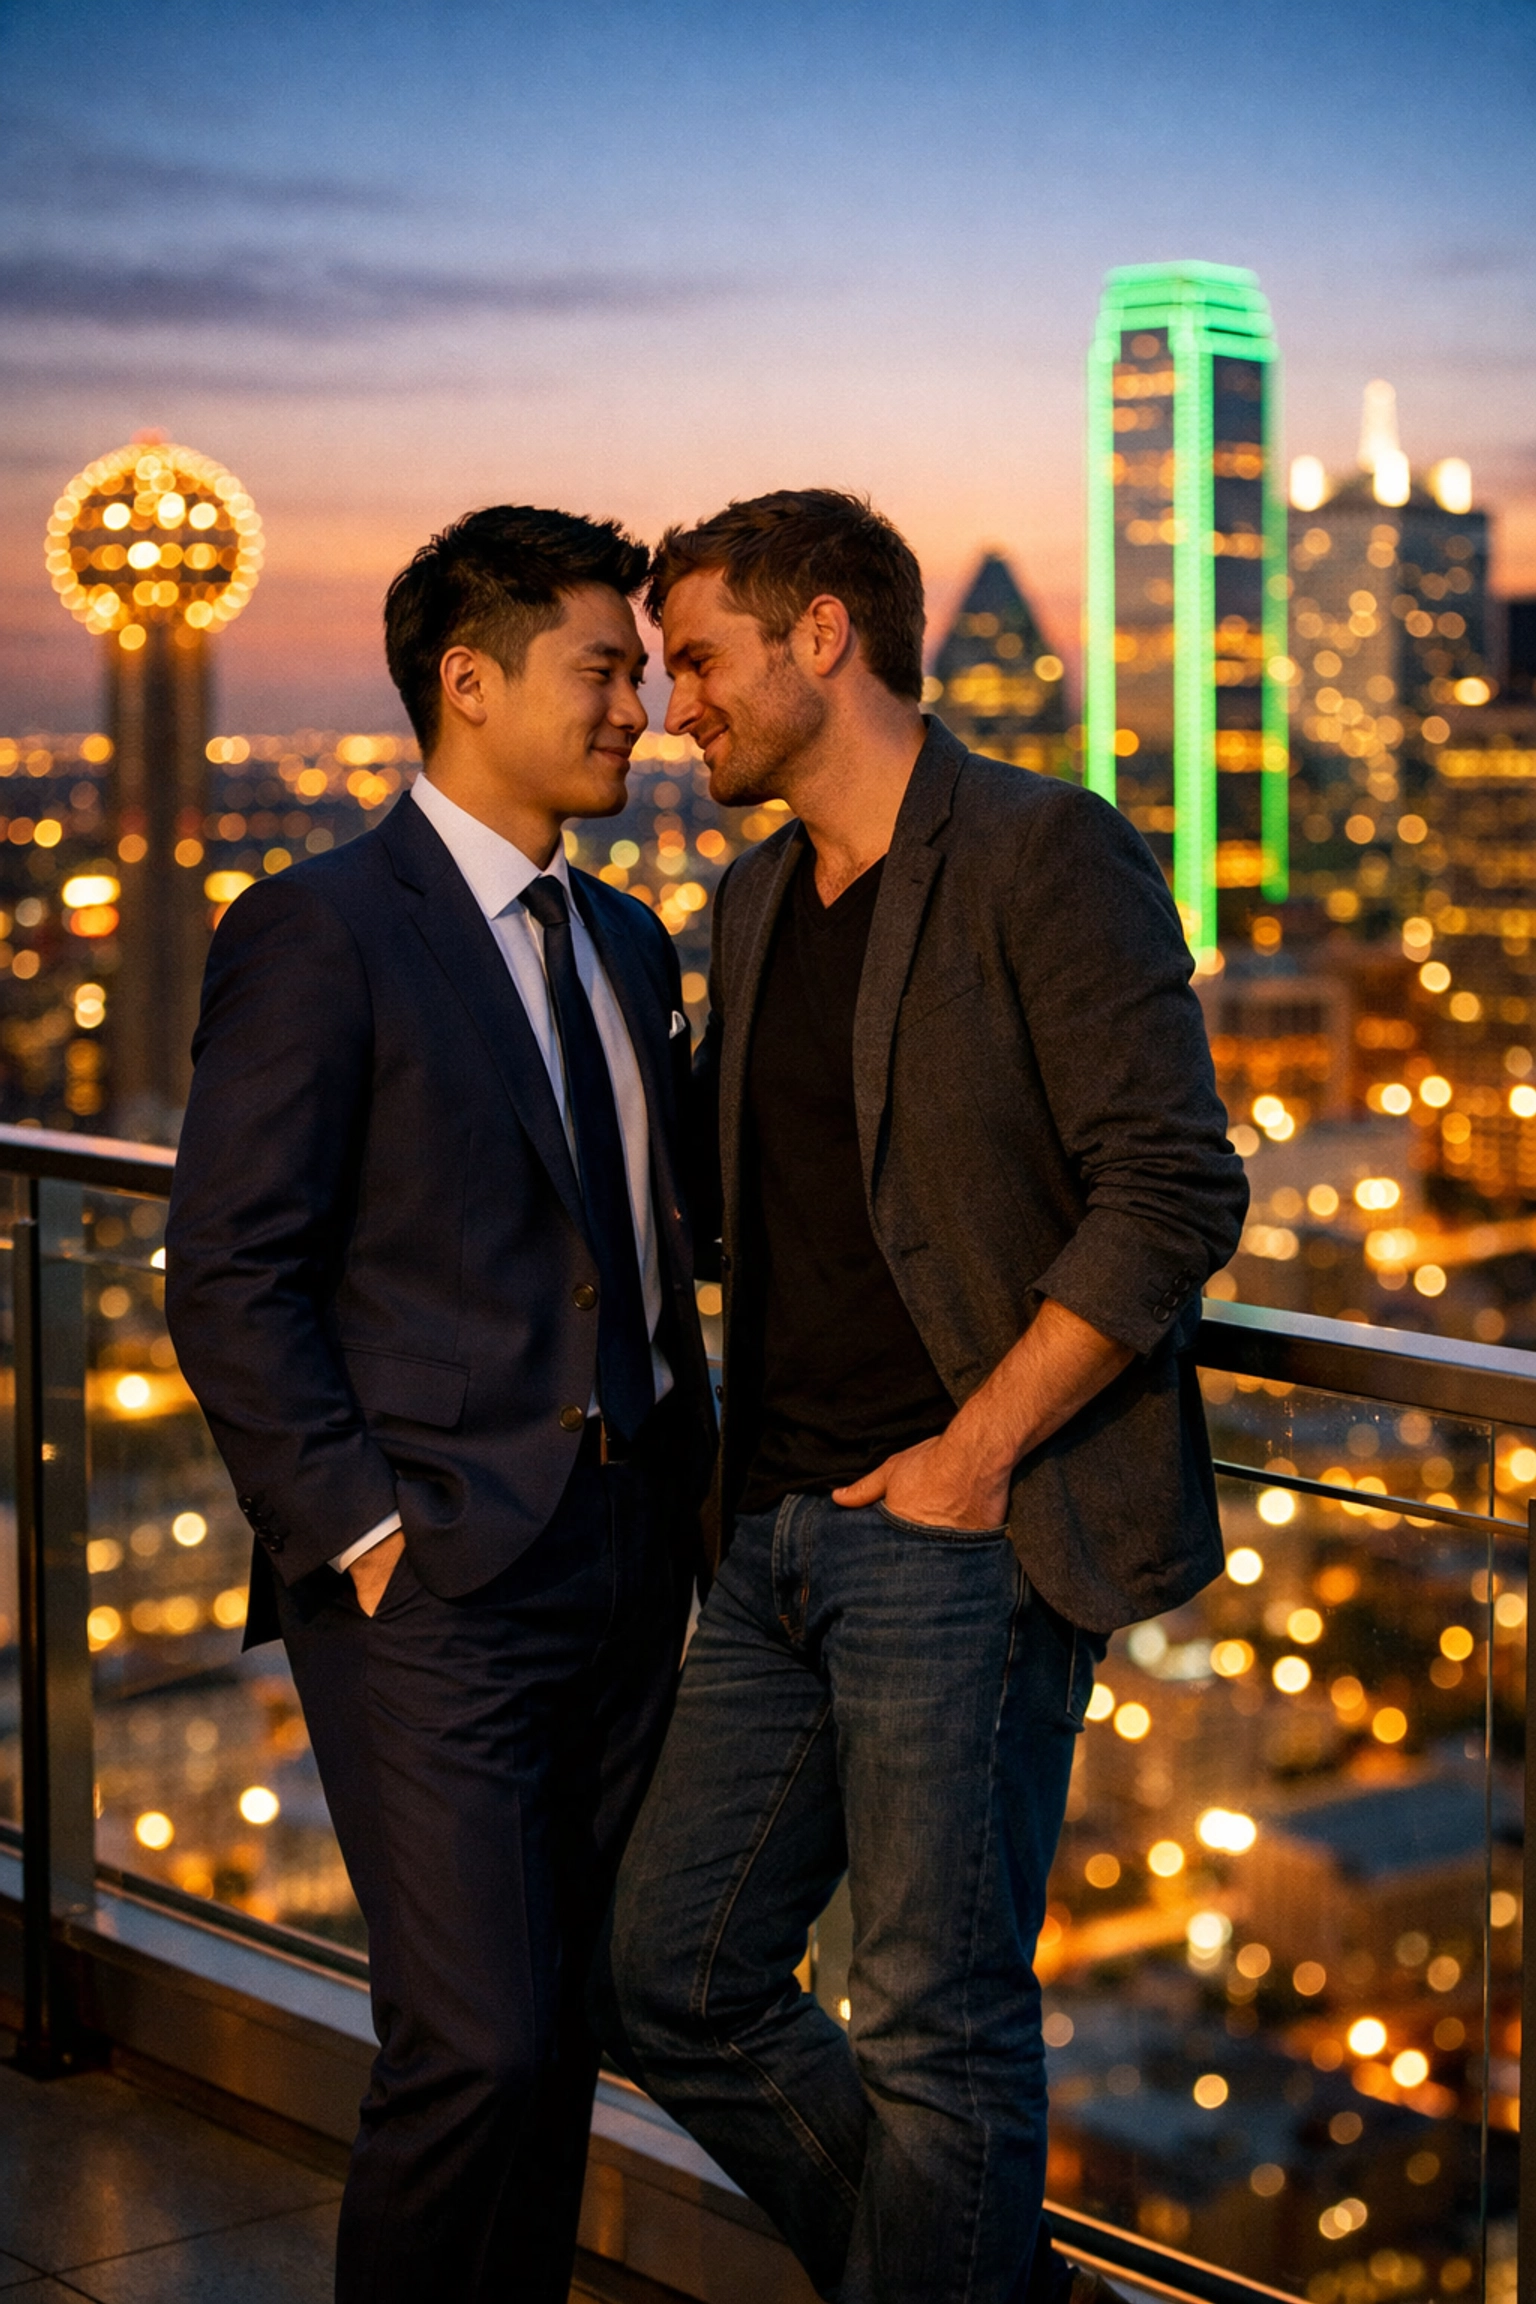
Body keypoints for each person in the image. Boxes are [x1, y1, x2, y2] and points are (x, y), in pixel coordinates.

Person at [595, 490, 1249, 2304]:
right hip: (776, 1536)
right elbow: (748, 1206)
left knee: (938, 2033)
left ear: (825, 639)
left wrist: (974, 1454)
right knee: (675, 1976)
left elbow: (1177, 1184)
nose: (676, 707)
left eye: (703, 659)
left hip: (966, 1534)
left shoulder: (1045, 852)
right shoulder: (743, 902)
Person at [166, 505, 714, 2304]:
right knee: (468, 2044)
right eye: (603, 669)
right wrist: (371, 1535)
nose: (637, 706)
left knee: (557, 2039)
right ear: (466, 683)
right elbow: (230, 1270)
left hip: (631, 1568)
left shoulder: (631, 944)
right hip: (437, 1585)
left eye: (638, 673)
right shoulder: (320, 930)